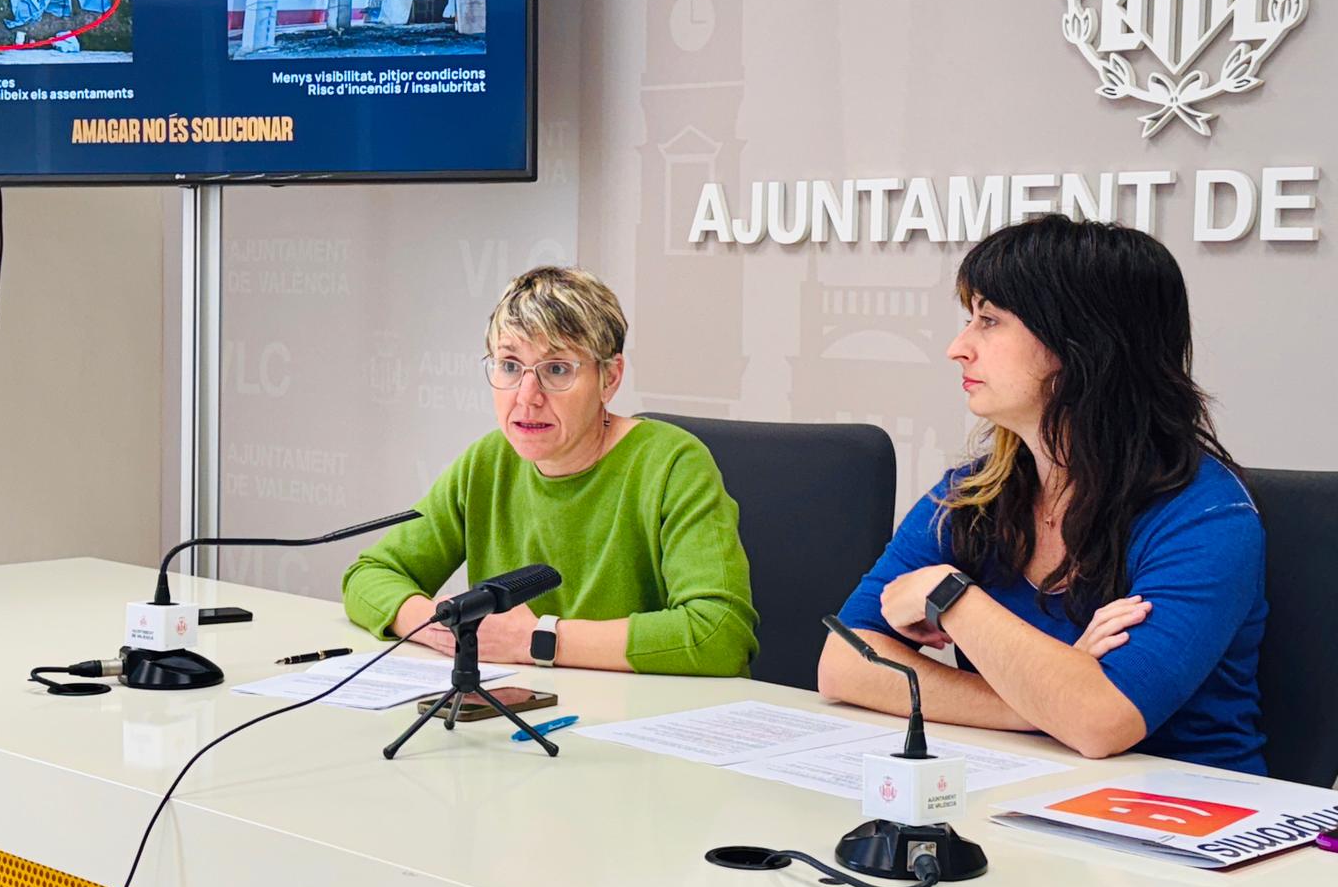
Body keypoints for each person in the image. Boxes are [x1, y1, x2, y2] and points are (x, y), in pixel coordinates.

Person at [818, 214, 1266, 773]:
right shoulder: (973, 492)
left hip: (1186, 818)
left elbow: (1103, 721)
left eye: (989, 320)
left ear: (1080, 344)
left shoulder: (1206, 516)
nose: (959, 347)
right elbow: (845, 662)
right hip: (1022, 790)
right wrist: (1046, 698)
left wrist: (949, 595)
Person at [342, 266, 758, 676]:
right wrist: (443, 626)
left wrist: (537, 640)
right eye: (509, 365)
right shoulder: (488, 461)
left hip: (644, 719)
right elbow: (369, 576)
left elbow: (719, 634)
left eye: (557, 369)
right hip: (522, 712)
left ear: (609, 379)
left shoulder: (672, 464)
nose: (527, 396)